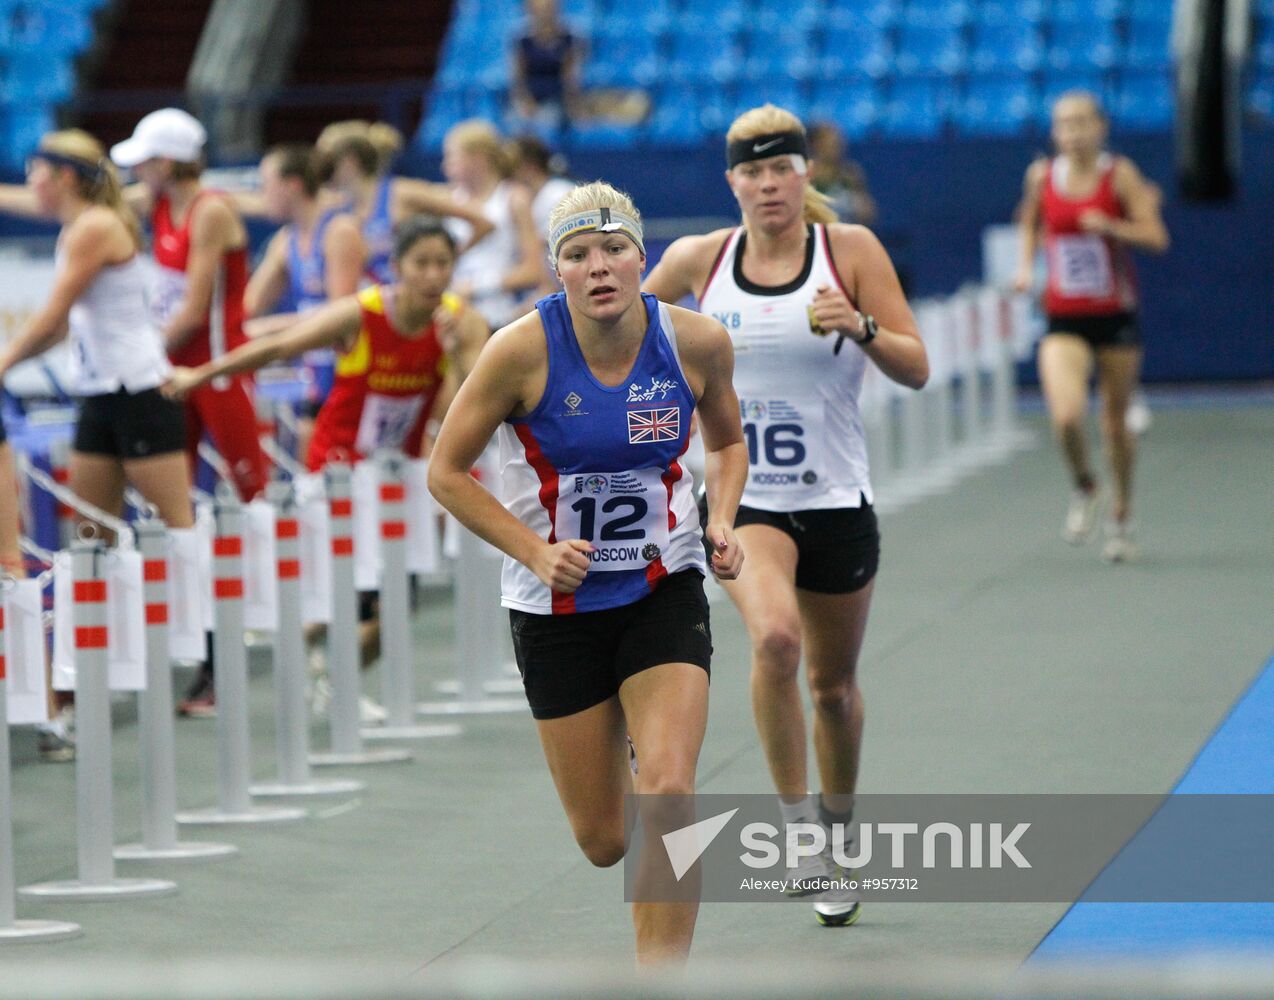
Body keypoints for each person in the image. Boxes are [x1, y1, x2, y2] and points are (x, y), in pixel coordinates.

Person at [427, 182, 747, 964]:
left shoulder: (696, 342)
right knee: (606, 839)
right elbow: (446, 472)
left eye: (613, 250)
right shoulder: (518, 351)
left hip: (660, 585)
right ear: (555, 269)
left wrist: (722, 518)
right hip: (555, 609)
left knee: (669, 792)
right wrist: (534, 551)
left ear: (642, 257)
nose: (598, 267)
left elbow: (729, 443)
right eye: (577, 254)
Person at [645, 104, 929, 928]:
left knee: (833, 687)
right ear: (731, 181)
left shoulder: (850, 253)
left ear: (806, 176)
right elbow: (611, 323)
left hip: (836, 499)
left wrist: (864, 326)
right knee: (774, 638)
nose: (769, 186)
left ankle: (839, 831)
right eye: (753, 173)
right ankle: (800, 830)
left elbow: (915, 365)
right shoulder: (701, 260)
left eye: (782, 170)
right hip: (744, 500)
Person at [164, 216, 487, 715]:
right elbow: (278, 346)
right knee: (357, 594)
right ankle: (314, 651)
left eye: (442, 264)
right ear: (396, 268)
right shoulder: (360, 314)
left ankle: (319, 654)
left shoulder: (459, 321)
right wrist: (199, 376)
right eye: (420, 264)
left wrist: (452, 355)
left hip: (398, 477)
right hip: (337, 475)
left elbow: (466, 408)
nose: (432, 275)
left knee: (397, 610)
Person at [0, 129, 196, 754]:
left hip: (143, 394)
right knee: (89, 545)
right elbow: (61, 330)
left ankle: (207, 660)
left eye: (36, 170)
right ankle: (70, 698)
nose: (29, 180)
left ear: (64, 177)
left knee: (178, 533)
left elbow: (53, 317)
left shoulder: (93, 227)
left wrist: (2, 364)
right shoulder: (83, 221)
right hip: (102, 398)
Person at [110, 107, 270, 714]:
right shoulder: (158, 203)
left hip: (218, 369)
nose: (138, 171)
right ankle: (208, 634)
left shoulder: (210, 211)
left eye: (146, 160)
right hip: (179, 371)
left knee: (252, 495)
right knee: (180, 501)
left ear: (168, 161)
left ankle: (274, 608)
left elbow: (195, 307)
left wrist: (144, 361)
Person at [1013, 91, 1169, 563]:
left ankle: (1122, 516)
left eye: (1083, 122)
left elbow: (1157, 237)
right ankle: (1086, 485)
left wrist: (1112, 227)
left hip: (1114, 316)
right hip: (1064, 315)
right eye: (1065, 124)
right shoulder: (1042, 176)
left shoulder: (1118, 174)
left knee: (1115, 425)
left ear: (1100, 127)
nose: (1074, 132)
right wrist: (1026, 266)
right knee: (1064, 416)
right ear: (1055, 132)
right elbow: (1029, 222)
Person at [242, 143, 365, 443]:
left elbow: (343, 317)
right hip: (314, 369)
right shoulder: (285, 241)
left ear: (293, 186)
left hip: (351, 365)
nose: (262, 195)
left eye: (266, 185)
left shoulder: (339, 231)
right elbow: (248, 307)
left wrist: (270, 328)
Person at [316, 121, 493, 286]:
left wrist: (447, 259)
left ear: (349, 161)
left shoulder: (402, 193)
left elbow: (481, 220)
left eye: (326, 163)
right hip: (370, 306)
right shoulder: (337, 205)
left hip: (410, 303)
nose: (320, 171)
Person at [441, 120, 543, 330]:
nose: (444, 165)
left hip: (499, 316)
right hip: (451, 313)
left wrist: (477, 287)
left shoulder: (514, 198)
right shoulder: (447, 200)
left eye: (452, 156)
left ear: (478, 158)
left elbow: (534, 270)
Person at [508, 134, 576, 300]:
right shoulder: (524, 201)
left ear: (528, 166)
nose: (507, 176)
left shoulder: (559, 193)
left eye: (510, 169)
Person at [510, 0, 584, 128]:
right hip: (531, 98)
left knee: (550, 119)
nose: (544, 12)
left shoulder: (567, 38)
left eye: (548, 7)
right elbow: (518, 78)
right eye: (539, 8)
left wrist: (572, 106)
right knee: (517, 122)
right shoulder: (523, 40)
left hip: (557, 99)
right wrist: (526, 101)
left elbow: (570, 80)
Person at [807, 121, 877, 226]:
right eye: (832, 143)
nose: (837, 148)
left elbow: (868, 216)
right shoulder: (806, 176)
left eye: (838, 143)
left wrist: (856, 189)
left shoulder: (851, 174)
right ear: (816, 144)